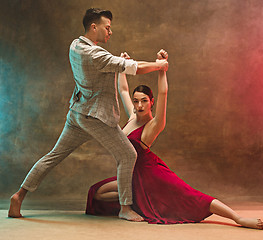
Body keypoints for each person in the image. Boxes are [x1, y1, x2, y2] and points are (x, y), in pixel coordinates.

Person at [8, 8, 168, 221]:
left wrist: (118, 62)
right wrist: (159, 66)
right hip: (96, 117)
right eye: (107, 27)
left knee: (54, 155)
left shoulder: (75, 45)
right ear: (94, 26)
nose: (110, 32)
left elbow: (108, 66)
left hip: (77, 113)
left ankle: (19, 196)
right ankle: (125, 208)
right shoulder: (96, 54)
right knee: (128, 154)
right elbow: (135, 68)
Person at [85, 50, 263, 230]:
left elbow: (163, 93)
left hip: (151, 174)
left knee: (192, 196)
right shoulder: (132, 116)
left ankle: (238, 218)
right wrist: (122, 66)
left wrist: (161, 68)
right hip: (132, 177)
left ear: (151, 102)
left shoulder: (154, 125)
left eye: (144, 101)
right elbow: (123, 89)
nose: (139, 105)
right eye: (136, 101)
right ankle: (136, 202)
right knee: (97, 194)